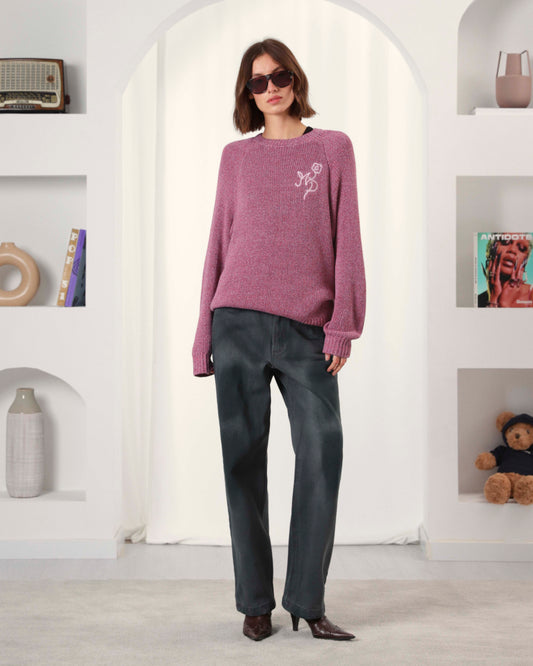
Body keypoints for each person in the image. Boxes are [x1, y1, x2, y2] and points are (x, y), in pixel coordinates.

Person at [192, 37, 366, 642]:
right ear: (247, 92)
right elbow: (218, 243)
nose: (271, 89)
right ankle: (255, 605)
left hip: (308, 330)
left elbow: (348, 240)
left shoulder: (332, 148)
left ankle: (308, 602)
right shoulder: (235, 158)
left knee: (322, 453)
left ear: (296, 79)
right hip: (236, 322)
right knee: (242, 463)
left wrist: (344, 324)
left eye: (280, 76)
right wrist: (203, 335)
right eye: (258, 82)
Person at [478, 234, 533, 307]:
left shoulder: (531, 296)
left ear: (525, 262)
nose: (513, 250)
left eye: (521, 248)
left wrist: (504, 304)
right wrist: (493, 300)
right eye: (505, 242)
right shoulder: (478, 300)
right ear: (489, 250)